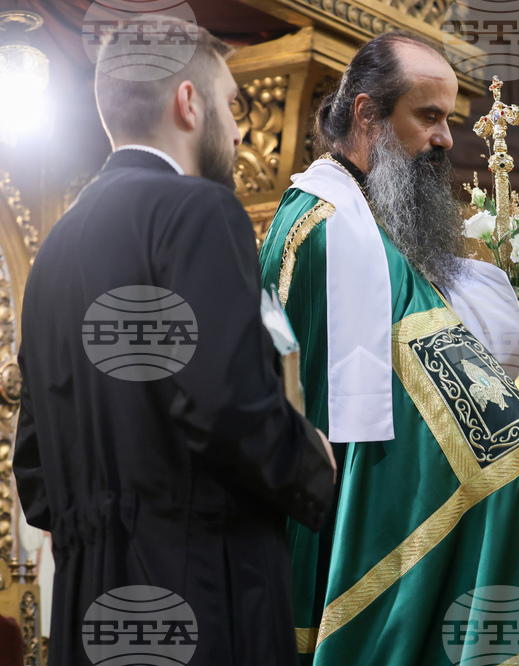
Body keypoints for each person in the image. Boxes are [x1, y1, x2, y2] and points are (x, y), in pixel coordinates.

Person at [259, 31, 519, 664]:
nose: (447, 138)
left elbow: (424, 387)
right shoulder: (345, 237)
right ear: (366, 114)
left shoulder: (323, 216)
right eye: (428, 116)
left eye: (449, 119)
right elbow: (442, 430)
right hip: (352, 553)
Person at [13, 19, 337, 666]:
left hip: (86, 618)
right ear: (188, 103)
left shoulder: (53, 253)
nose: (239, 130)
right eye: (229, 106)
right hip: (206, 600)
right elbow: (224, 405)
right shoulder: (198, 211)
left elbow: (36, 475)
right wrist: (314, 463)